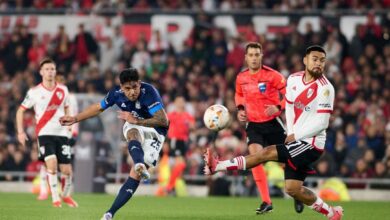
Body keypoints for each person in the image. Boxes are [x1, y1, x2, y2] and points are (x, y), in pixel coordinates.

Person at [205, 45, 343, 220]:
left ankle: (217, 166)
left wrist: (295, 135)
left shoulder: (325, 88)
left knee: (266, 153)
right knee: (293, 189)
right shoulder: (293, 79)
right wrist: (290, 133)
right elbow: (291, 108)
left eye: (322, 61)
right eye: (315, 59)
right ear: (305, 61)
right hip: (286, 136)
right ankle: (332, 213)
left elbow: (323, 123)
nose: (319, 64)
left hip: (312, 143)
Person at [59, 68, 169, 220]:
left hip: (156, 131)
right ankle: (109, 214)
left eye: (134, 87)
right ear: (121, 87)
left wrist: (136, 120)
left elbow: (163, 120)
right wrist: (75, 118)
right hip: (134, 125)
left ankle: (139, 166)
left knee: (135, 177)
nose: (132, 92)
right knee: (132, 132)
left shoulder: (149, 92)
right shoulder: (115, 94)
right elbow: (98, 108)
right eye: (127, 88)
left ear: (139, 84)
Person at [235, 42, 303, 213]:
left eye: (257, 54)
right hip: (253, 125)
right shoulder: (241, 78)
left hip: (273, 124)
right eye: (250, 55)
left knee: (289, 161)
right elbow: (239, 94)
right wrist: (241, 109)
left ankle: (297, 193)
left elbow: (291, 95)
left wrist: (278, 107)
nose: (253, 58)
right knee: (256, 158)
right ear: (246, 57)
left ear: (261, 56)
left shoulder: (273, 75)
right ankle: (266, 201)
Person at [16, 58, 78, 208]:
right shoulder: (34, 92)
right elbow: (20, 110)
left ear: (55, 71)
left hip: (62, 133)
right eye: (47, 69)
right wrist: (20, 132)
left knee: (67, 170)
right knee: (51, 164)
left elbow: (67, 107)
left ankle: (66, 196)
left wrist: (69, 122)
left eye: (52, 69)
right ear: (41, 72)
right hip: (44, 133)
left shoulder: (63, 90)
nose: (50, 72)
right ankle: (55, 199)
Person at [165, 96, 195, 195]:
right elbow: (165, 127)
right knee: (181, 164)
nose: (180, 103)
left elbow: (192, 127)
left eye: (182, 101)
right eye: (178, 101)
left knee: (176, 167)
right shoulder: (171, 115)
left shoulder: (188, 116)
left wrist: (191, 127)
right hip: (174, 140)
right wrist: (165, 142)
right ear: (175, 103)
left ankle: (171, 187)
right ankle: (169, 186)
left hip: (184, 142)